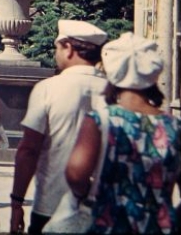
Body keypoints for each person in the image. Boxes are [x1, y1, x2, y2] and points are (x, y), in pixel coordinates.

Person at [66, 32, 181, 234]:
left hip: (111, 223)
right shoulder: (175, 126)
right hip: (160, 227)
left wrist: (85, 195)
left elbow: (76, 173)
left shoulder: (100, 120)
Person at [10, 19, 109, 234]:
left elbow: (29, 150)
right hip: (103, 211)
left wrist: (17, 201)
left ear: (69, 48)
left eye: (57, 47)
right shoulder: (114, 92)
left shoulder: (48, 89)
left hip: (51, 206)